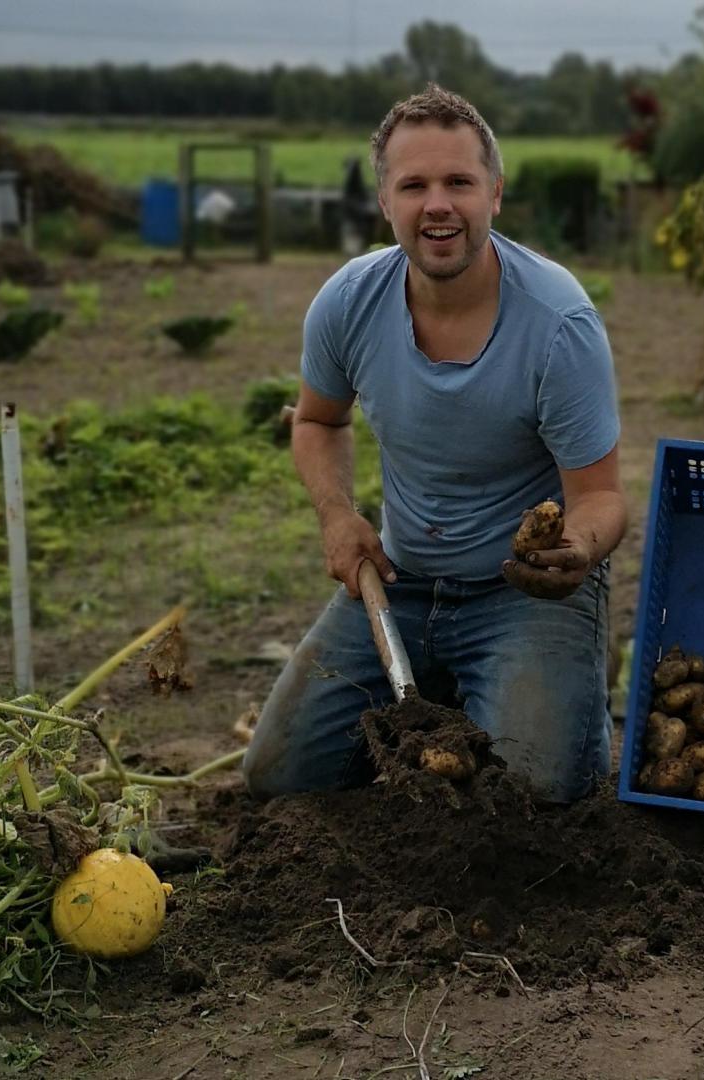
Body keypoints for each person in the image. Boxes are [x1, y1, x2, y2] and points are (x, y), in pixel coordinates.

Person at [241, 85, 626, 804]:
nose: (438, 205)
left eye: (459, 182)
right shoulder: (350, 301)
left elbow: (601, 496)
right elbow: (318, 420)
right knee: (278, 777)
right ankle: (463, 680)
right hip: (401, 581)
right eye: (413, 185)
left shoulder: (558, 323)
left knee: (535, 791)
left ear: (495, 194)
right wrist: (337, 516)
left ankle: (554, 669)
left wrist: (575, 552)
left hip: (522, 593)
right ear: (385, 202)